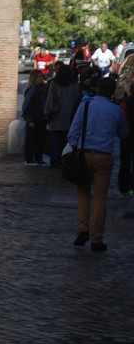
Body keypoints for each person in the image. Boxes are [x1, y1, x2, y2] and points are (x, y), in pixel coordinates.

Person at [67, 77, 129, 251]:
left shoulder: (86, 105)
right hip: (104, 156)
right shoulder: (116, 111)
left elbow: (73, 133)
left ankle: (83, 229)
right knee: (100, 198)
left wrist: (75, 147)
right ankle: (96, 238)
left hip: (84, 153)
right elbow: (123, 133)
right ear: (112, 91)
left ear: (98, 88)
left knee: (83, 193)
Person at [44, 64, 80, 167]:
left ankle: (55, 161)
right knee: (67, 142)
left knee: (55, 141)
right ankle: (66, 162)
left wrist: (48, 113)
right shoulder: (74, 85)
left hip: (56, 117)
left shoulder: (54, 84)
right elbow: (77, 100)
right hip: (70, 117)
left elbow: (50, 101)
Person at [22, 69, 48, 165]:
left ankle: (38, 158)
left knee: (40, 140)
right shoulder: (31, 90)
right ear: (34, 78)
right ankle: (29, 159)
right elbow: (27, 106)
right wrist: (29, 120)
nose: (40, 79)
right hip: (33, 118)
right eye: (38, 77)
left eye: (41, 77)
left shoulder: (42, 89)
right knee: (31, 140)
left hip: (41, 118)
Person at [117, 80, 134, 196]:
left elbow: (121, 119)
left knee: (125, 161)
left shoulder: (125, 102)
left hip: (127, 135)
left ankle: (124, 186)